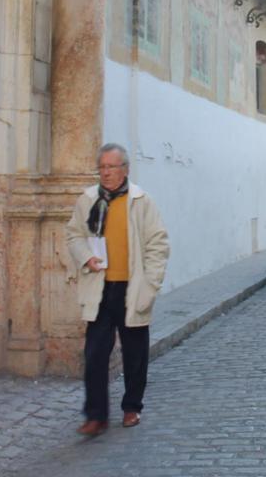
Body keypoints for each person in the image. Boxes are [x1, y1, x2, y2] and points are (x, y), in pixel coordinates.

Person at [66, 143, 170, 436]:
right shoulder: (88, 200)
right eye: (102, 167)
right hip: (100, 286)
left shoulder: (141, 201)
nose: (106, 172)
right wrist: (86, 257)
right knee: (95, 353)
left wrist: (151, 284)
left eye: (111, 167)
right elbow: (74, 235)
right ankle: (96, 415)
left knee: (135, 353)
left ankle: (132, 407)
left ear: (125, 169)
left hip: (133, 287)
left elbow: (158, 244)